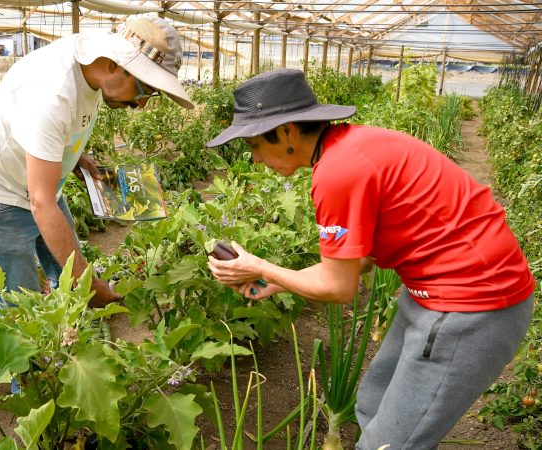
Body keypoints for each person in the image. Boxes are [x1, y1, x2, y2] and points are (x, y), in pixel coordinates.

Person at [206, 68, 535, 449]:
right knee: (373, 400)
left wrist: (260, 267)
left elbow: (338, 288)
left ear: (286, 132)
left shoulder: (337, 172)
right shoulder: (351, 146)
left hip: (470, 307)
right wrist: (277, 280)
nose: (255, 158)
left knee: (390, 442)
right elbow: (357, 261)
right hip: (436, 291)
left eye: (254, 144)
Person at [0, 16, 193, 307]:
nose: (142, 103)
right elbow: (41, 203)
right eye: (144, 89)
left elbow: (52, 134)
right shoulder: (51, 93)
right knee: (22, 301)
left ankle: (68, 332)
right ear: (115, 64)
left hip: (41, 185)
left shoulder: (91, 70)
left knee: (65, 263)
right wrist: (91, 285)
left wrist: (74, 158)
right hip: (2, 191)